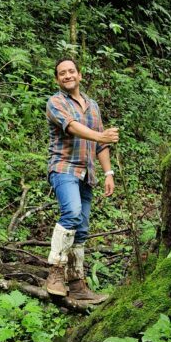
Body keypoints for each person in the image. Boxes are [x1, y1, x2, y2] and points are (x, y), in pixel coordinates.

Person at [44, 58, 119, 304]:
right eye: (62, 73)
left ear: (80, 75)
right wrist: (100, 134)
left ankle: (77, 284)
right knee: (72, 213)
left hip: (87, 173)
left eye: (71, 71)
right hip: (64, 168)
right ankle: (55, 272)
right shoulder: (55, 102)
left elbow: (101, 144)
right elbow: (72, 126)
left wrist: (108, 173)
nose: (67, 76)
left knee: (83, 228)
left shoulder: (93, 105)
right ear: (57, 79)